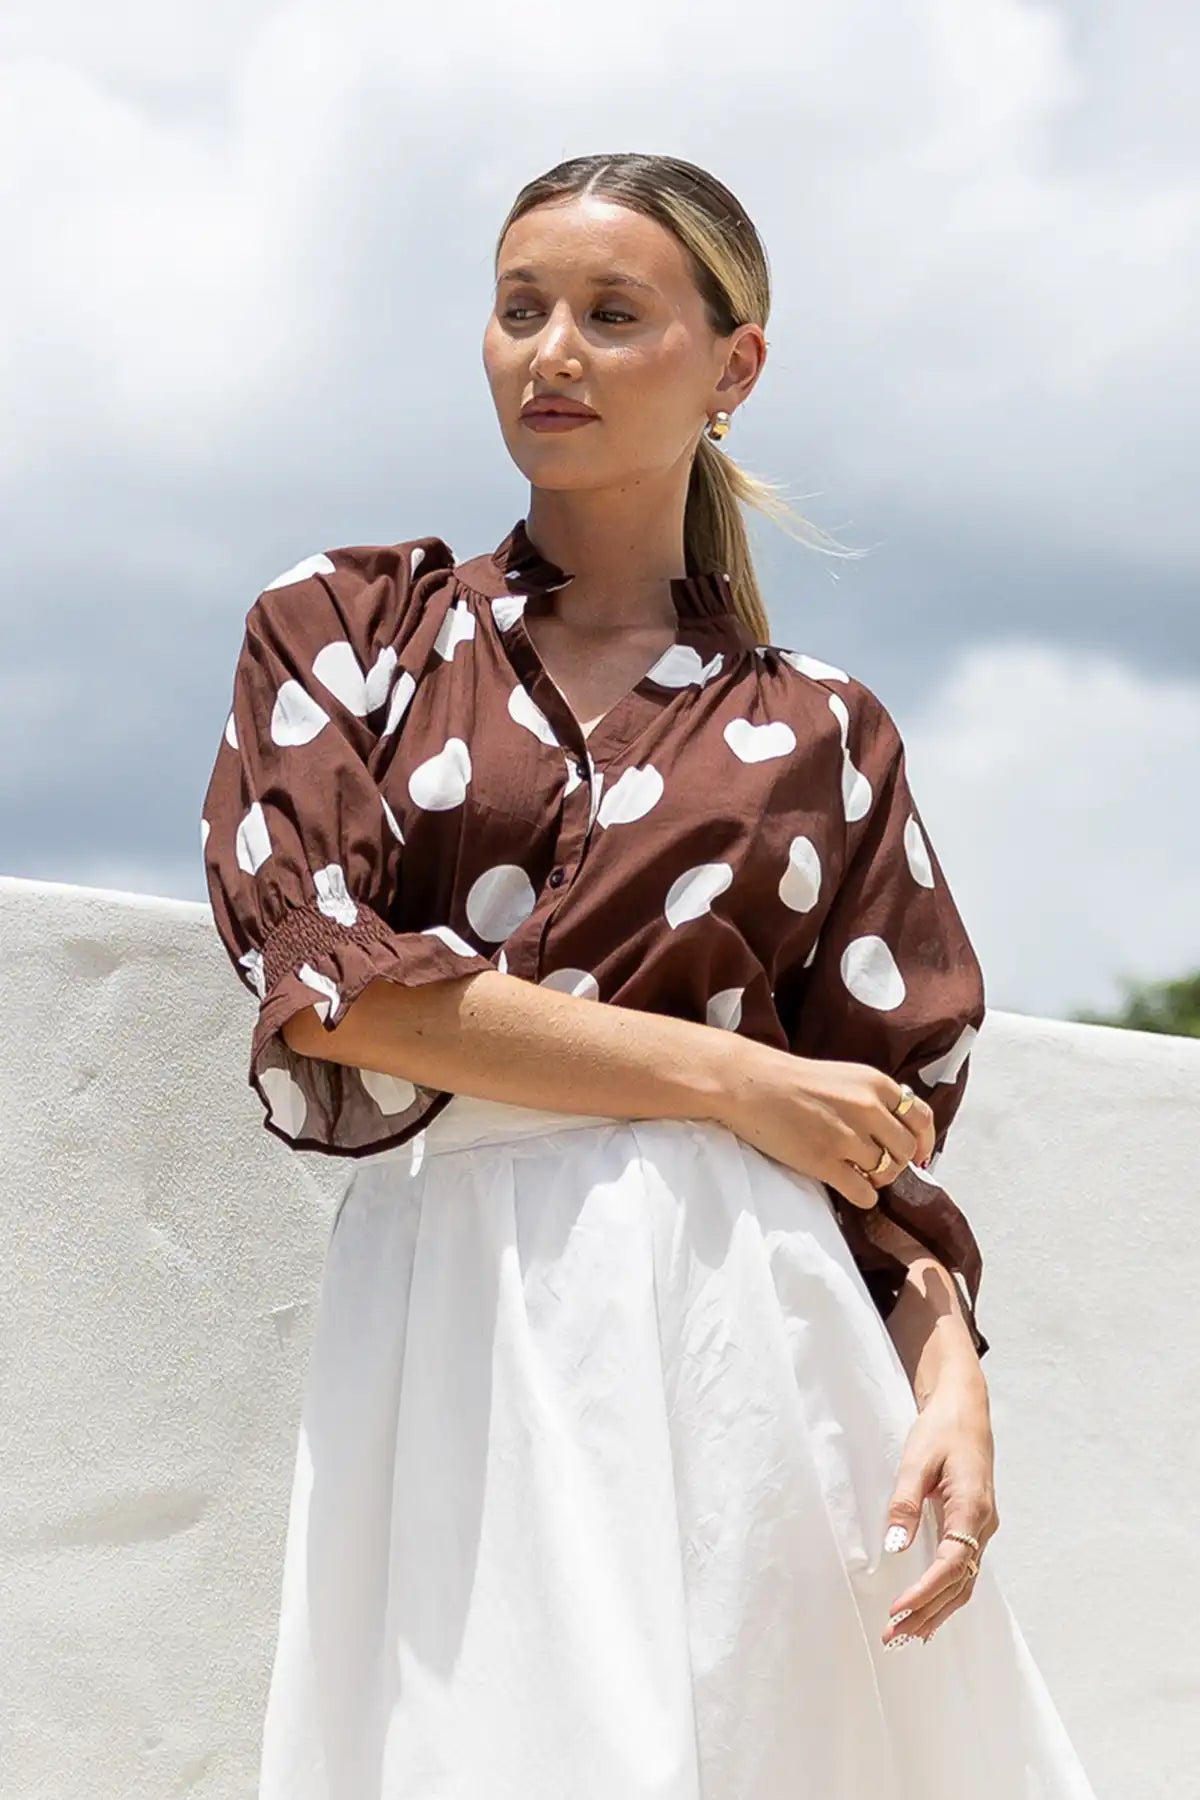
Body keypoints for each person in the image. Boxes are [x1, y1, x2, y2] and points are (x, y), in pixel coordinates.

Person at [200, 153, 1099, 1799]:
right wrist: (735, 1078)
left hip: (751, 1329)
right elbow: (333, 987)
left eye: (613, 315)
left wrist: (951, 1372)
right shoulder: (352, 629)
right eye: (520, 306)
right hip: (456, 1311)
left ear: (732, 367)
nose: (552, 352)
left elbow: (879, 1134)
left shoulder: (823, 728)